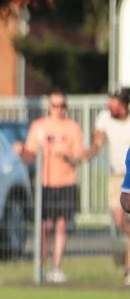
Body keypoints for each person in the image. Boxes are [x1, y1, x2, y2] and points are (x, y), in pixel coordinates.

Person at [20, 91, 87, 283]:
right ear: (49, 106)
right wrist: (21, 151)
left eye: (62, 106)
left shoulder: (72, 128)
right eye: (55, 105)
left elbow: (79, 156)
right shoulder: (39, 126)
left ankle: (56, 267)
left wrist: (64, 154)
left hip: (66, 182)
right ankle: (40, 267)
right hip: (45, 183)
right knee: (44, 226)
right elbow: (30, 154)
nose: (58, 110)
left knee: (61, 225)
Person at [90, 88, 130, 285]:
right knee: (120, 220)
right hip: (116, 176)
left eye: (113, 105)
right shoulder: (105, 118)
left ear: (124, 106)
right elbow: (97, 140)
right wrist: (90, 150)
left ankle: (129, 268)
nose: (109, 108)